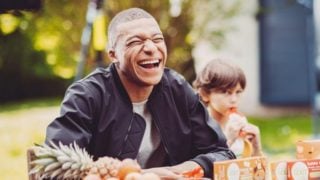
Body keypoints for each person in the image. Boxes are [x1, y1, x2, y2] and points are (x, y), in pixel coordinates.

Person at [45, 8, 235, 178]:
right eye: (135, 42)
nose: (151, 48)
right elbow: (56, 169)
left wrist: (181, 171)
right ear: (113, 55)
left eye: (157, 39)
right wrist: (143, 175)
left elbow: (221, 152)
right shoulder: (86, 96)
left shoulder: (177, 88)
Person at [193, 59, 263, 158]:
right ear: (204, 94)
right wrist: (228, 141)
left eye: (238, 92)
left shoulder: (240, 121)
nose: (234, 99)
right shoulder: (200, 126)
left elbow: (255, 169)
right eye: (226, 92)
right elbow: (204, 166)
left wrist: (256, 146)